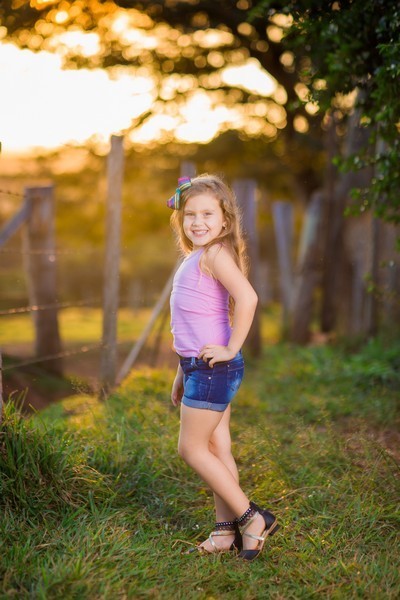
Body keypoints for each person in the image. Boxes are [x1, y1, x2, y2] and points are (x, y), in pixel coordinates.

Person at [167, 173, 279, 561]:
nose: (197, 222)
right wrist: (181, 371)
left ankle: (252, 518)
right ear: (180, 218)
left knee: (191, 447)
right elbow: (192, 325)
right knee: (217, 446)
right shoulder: (196, 257)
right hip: (199, 367)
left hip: (214, 367)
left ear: (225, 220)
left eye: (207, 214)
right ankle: (223, 532)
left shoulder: (215, 254)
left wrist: (232, 348)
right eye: (190, 214)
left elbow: (248, 298)